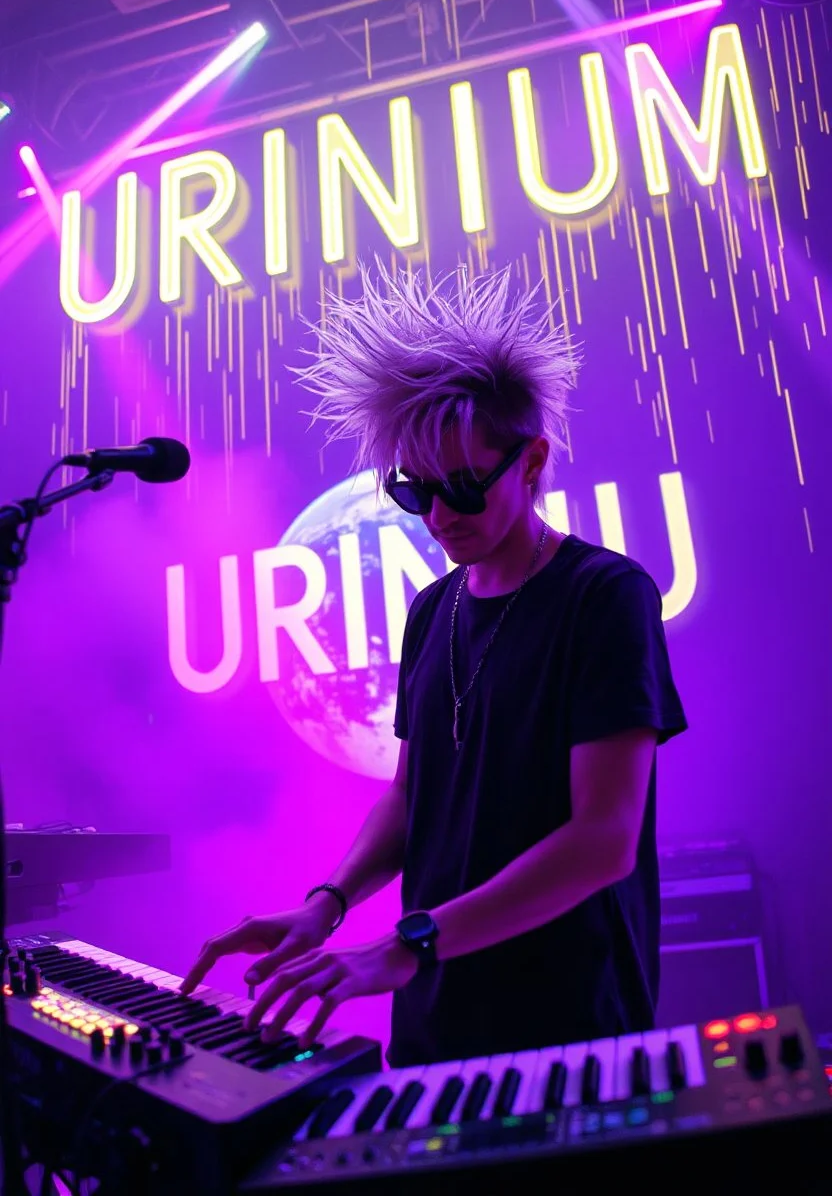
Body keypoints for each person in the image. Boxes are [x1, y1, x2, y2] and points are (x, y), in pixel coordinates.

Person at [180, 263, 687, 1068]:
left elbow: (602, 841)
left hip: (573, 1025)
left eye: (463, 487)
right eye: (416, 493)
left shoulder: (606, 596)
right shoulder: (432, 611)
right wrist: (328, 905)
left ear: (530, 462)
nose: (441, 515)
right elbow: (411, 797)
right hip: (435, 1020)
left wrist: (406, 943)